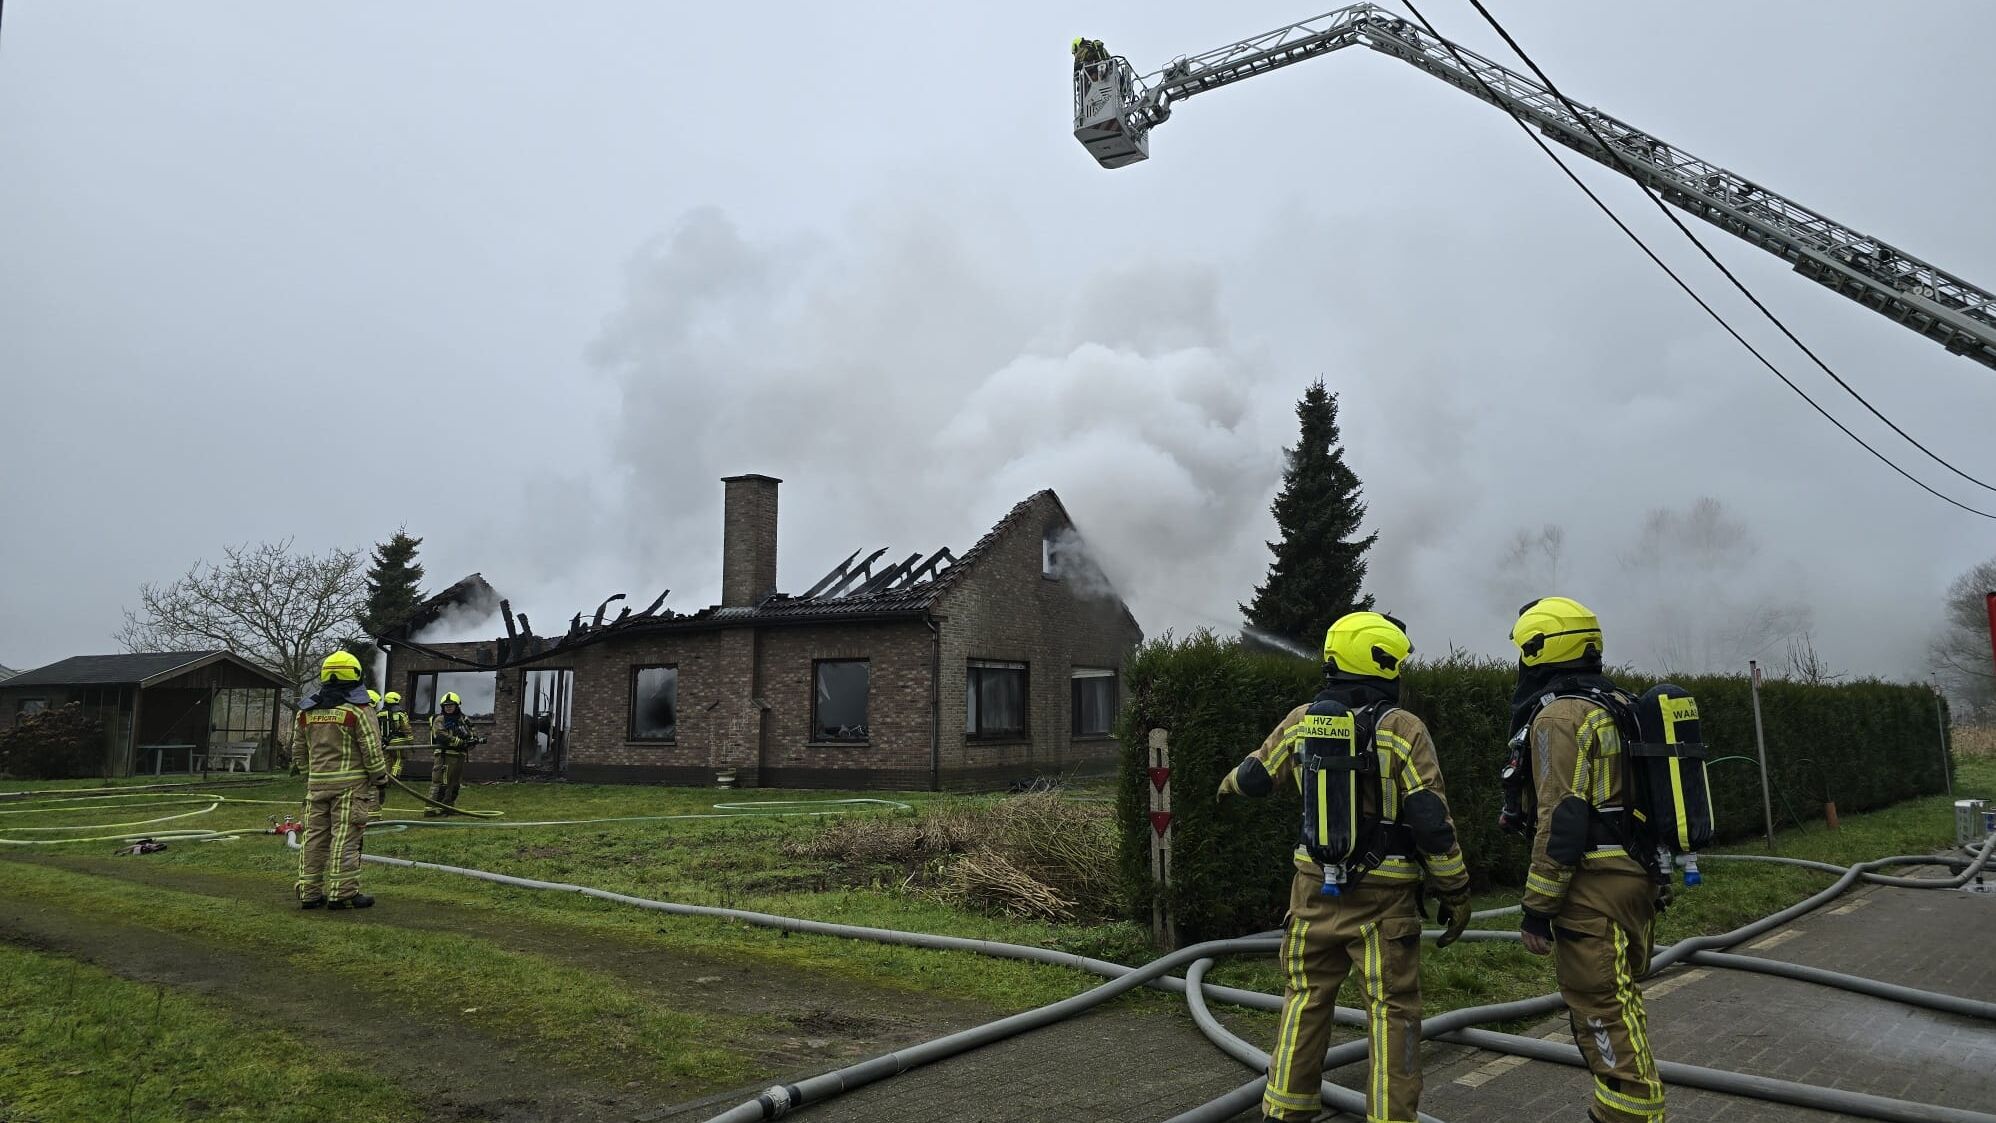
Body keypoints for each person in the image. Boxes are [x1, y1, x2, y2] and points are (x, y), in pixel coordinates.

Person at [1218, 612, 1473, 1123]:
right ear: (1382, 663)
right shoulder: (1403, 728)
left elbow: (1254, 777)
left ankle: (1284, 1112)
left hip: (1313, 890)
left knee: (1305, 999)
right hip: (1385, 899)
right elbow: (1430, 820)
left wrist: (1224, 786)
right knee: (1392, 1012)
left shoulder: (1302, 719)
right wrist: (1456, 889)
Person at [1508, 597, 1665, 1123]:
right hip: (1635, 878)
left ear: (1539, 650)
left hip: (1592, 888)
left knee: (1602, 1012)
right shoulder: (1620, 703)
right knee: (1621, 1003)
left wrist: (1537, 909)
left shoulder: (1559, 716)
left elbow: (1562, 816)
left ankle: (1631, 1113)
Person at [290, 650, 389, 910]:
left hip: (316, 787)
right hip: (350, 788)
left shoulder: (306, 712)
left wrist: (310, 774)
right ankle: (341, 893)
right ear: (355, 676)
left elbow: (298, 750)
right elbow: (371, 749)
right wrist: (380, 778)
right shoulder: (359, 710)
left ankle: (309, 893)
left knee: (314, 839)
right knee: (345, 838)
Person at [426, 692, 479, 815]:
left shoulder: (463, 719)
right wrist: (457, 741)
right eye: (446, 706)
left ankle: (448, 807)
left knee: (455, 784)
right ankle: (431, 809)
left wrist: (472, 739)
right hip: (445, 755)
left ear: (457, 706)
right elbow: (440, 734)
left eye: (451, 705)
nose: (448, 707)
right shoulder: (440, 719)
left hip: (459, 756)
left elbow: (473, 731)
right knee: (440, 783)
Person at [379, 690, 415, 781]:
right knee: (399, 758)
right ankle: (394, 777)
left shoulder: (379, 714)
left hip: (384, 742)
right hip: (398, 741)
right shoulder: (400, 713)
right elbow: (407, 729)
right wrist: (411, 743)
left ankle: (385, 779)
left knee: (387, 760)